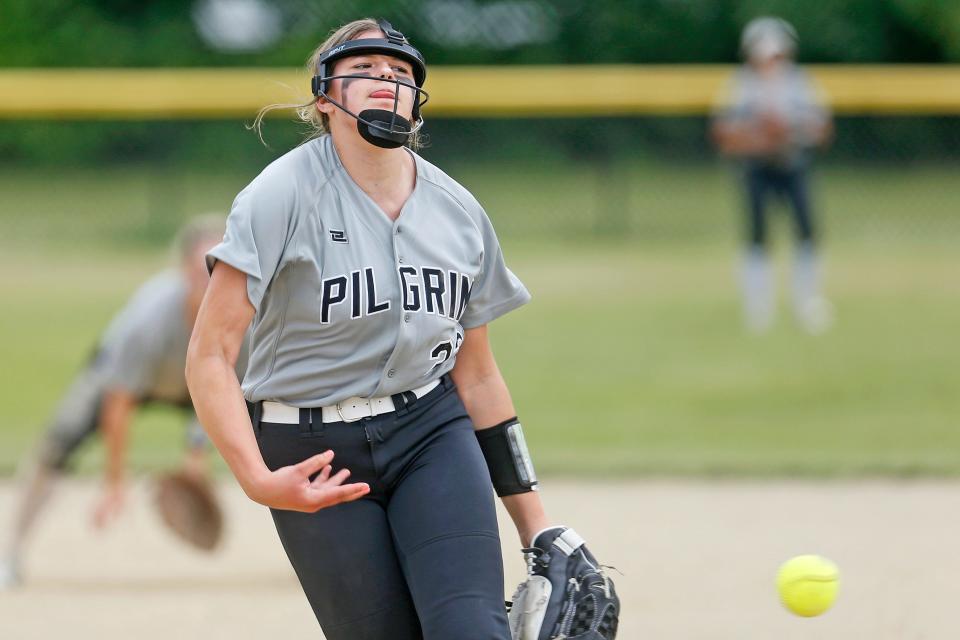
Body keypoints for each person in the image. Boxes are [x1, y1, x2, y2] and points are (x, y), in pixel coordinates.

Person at [186, 17, 617, 640]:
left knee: (472, 629)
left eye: (400, 74)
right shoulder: (278, 196)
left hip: (430, 432)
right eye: (363, 70)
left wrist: (536, 523)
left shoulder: (459, 212)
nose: (385, 81)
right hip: (311, 452)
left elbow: (478, 377)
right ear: (324, 98)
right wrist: (257, 480)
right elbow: (210, 355)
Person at [0, 216, 241, 589]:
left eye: (219, 267)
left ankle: (314, 554)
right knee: (57, 442)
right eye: (200, 270)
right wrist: (115, 481)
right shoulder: (150, 319)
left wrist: (196, 456)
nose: (209, 280)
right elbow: (119, 400)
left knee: (281, 430)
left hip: (201, 381)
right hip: (125, 380)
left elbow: (225, 388)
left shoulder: (241, 312)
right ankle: (9, 553)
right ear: (182, 271)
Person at [712, 16, 834, 334]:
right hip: (756, 169)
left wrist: (789, 132)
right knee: (757, 236)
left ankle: (807, 301)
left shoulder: (801, 83)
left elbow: (822, 129)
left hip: (793, 166)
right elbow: (724, 134)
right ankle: (758, 306)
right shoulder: (739, 86)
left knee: (806, 233)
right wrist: (761, 138)